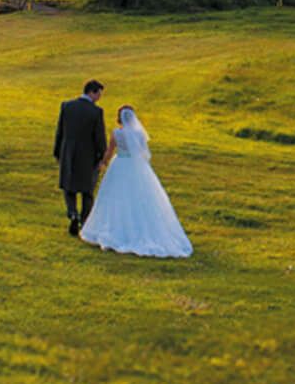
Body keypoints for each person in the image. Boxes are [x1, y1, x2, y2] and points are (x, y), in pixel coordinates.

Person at [81, 106, 193, 258]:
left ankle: (114, 228)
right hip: (136, 167)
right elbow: (143, 152)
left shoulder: (117, 133)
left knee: (116, 196)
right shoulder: (140, 134)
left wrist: (103, 163)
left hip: (119, 164)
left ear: (119, 118)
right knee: (140, 197)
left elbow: (110, 151)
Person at [53, 79, 106, 236]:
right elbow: (99, 137)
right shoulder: (96, 112)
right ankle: (84, 220)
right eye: (98, 94)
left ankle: (72, 213)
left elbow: (60, 131)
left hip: (68, 151)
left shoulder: (67, 106)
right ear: (92, 92)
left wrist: (57, 151)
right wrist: (101, 156)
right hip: (87, 154)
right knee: (87, 190)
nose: (99, 98)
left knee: (69, 186)